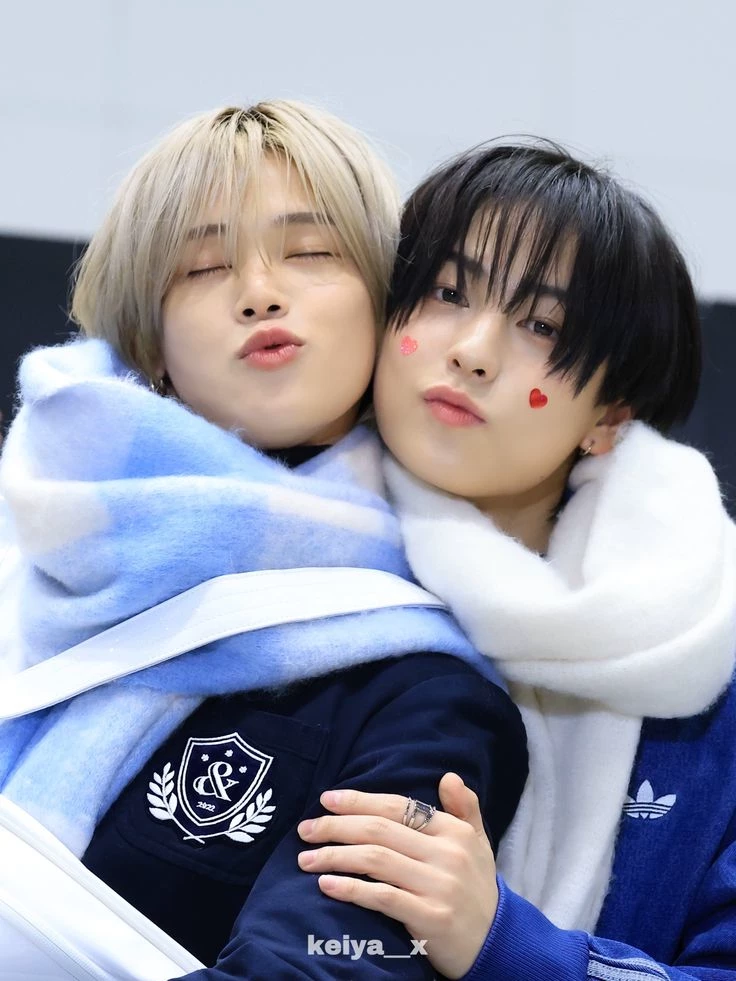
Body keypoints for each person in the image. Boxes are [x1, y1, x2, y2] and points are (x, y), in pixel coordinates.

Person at [0, 105, 528, 978]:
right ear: (151, 341)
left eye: (311, 252)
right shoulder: (25, 567)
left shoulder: (421, 691)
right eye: (204, 265)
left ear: (388, 305)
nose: (258, 291)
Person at [295, 142, 736, 980]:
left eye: (543, 326)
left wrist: (505, 943)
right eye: (446, 291)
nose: (473, 349)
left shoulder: (705, 645)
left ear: (610, 415)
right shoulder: (262, 563)